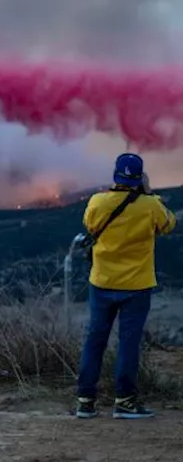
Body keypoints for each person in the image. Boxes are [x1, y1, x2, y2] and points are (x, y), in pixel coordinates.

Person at [75, 153, 176, 419]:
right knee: (129, 343)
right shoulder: (151, 205)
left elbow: (89, 224)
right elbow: (169, 225)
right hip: (137, 285)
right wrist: (149, 193)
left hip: (102, 281)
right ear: (140, 178)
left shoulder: (98, 201)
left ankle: (85, 401)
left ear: (115, 174)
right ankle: (125, 401)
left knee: (95, 340)